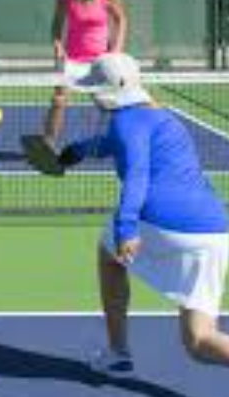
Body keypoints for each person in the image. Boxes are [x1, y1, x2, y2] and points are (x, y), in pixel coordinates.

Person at [57, 53, 229, 374]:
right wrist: (74, 152)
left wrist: (126, 228)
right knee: (200, 340)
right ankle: (119, 350)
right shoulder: (159, 117)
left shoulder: (126, 122)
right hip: (215, 230)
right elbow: (110, 143)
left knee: (109, 254)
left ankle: (118, 350)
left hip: (165, 221)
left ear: (107, 93)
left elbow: (136, 175)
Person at [43, 0, 127, 148]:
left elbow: (121, 19)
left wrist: (116, 50)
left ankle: (123, 138)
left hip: (101, 61)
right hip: (71, 60)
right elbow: (57, 23)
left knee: (113, 102)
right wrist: (58, 46)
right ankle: (48, 144)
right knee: (59, 100)